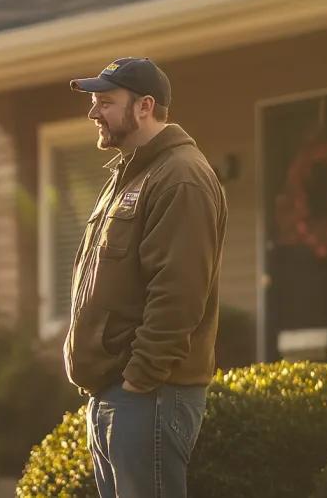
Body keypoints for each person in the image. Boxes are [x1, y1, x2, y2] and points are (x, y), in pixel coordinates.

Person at [64, 57, 228, 497]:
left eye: (105, 102)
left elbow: (179, 294)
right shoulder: (131, 175)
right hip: (117, 396)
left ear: (144, 107)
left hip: (148, 396)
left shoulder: (181, 178)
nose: (93, 112)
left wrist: (139, 379)